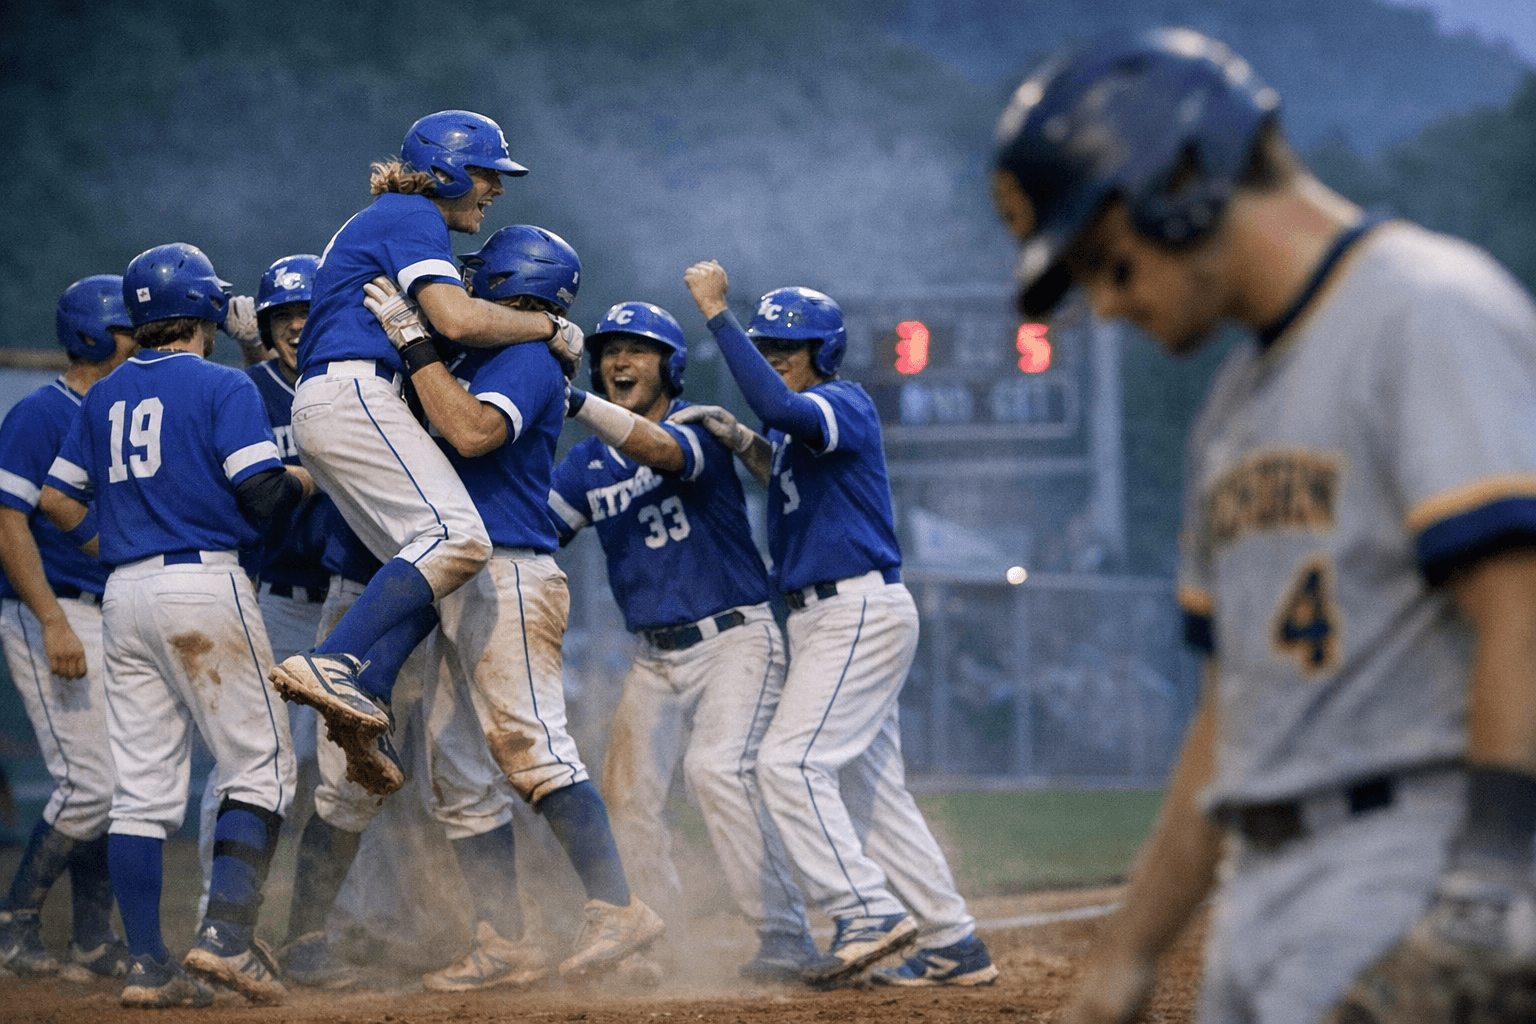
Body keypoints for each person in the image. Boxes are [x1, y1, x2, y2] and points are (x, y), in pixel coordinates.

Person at [988, 27, 1536, 1024]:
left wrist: (1490, 885)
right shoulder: (1230, 414)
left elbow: (1522, 608)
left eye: (1110, 263)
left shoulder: (1423, 309)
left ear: (1186, 180)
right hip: (1260, 889)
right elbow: (1228, 716)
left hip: (1408, 855)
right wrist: (1127, 958)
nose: (1109, 307)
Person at [361, 224, 663, 990]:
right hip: (458, 578)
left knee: (533, 745)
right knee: (459, 775)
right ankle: (503, 939)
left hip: (509, 575)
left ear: (510, 284)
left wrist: (414, 343)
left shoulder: (527, 359)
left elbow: (471, 432)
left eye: (478, 276)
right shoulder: (474, 355)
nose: (462, 287)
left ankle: (617, 907)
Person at [679, 264, 997, 988]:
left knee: (789, 764)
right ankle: (954, 942)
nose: (774, 360)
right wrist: (740, 439)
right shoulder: (804, 430)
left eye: (790, 349)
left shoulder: (843, 402)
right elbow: (785, 457)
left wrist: (719, 317)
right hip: (830, 616)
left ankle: (867, 913)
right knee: (871, 793)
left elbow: (783, 413)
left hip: (854, 609)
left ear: (827, 353)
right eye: (766, 347)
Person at [269, 110, 585, 796]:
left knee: (430, 559)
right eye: (485, 172)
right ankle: (336, 661)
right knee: (461, 538)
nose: (495, 188)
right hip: (355, 392)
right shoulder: (413, 213)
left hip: (339, 397)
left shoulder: (391, 217)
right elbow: (456, 317)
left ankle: (366, 699)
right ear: (442, 168)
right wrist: (550, 326)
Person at [40, 242, 310, 1008]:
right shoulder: (222, 384)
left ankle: (147, 967)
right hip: (204, 583)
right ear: (202, 312)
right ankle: (227, 938)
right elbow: (260, 494)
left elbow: (58, 501)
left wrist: (121, 544)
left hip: (124, 593)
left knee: (142, 793)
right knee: (261, 767)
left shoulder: (101, 396)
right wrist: (305, 478)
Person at [549, 300, 817, 982]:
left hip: (736, 638)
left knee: (717, 771)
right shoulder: (585, 464)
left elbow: (659, 451)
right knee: (629, 799)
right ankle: (653, 944)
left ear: (670, 366)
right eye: (610, 350)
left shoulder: (693, 429)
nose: (619, 361)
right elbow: (537, 530)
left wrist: (573, 398)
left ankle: (787, 934)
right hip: (654, 656)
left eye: (637, 349)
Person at [0, 276, 136, 981]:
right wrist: (53, 620)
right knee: (90, 784)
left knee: (120, 784)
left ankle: (90, 938)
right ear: (92, 335)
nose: (137, 338)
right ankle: (14, 924)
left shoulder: (121, 410)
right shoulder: (40, 413)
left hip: (110, 610)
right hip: (50, 610)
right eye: (126, 328)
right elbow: (6, 521)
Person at [196, 253, 328, 914]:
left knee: (350, 772)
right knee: (245, 761)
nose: (299, 326)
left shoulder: (360, 385)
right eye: (284, 316)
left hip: (348, 603)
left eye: (311, 312)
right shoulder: (246, 391)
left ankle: (353, 923)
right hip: (274, 601)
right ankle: (213, 910)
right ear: (268, 325)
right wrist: (248, 350)